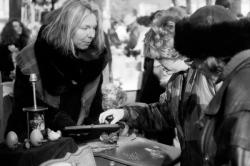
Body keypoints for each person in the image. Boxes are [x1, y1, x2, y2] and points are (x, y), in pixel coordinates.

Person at [99, 9, 219, 166]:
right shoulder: (176, 81)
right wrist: (124, 113)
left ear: (175, 52)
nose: (158, 65)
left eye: (160, 59)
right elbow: (163, 114)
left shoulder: (209, 75)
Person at [5, 0, 109, 141]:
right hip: (38, 142)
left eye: (94, 28)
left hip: (80, 144)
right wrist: (56, 118)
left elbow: (96, 108)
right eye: (85, 28)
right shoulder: (32, 57)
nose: (92, 34)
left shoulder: (94, 60)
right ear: (68, 27)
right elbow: (24, 105)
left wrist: (95, 126)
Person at [174, 5, 250, 166]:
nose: (194, 66)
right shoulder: (236, 76)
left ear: (209, 55)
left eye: (195, 58)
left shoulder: (242, 88)